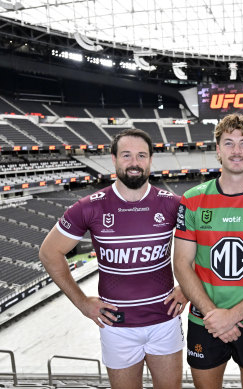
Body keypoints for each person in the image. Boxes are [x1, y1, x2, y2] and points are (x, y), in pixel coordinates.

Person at [39, 129, 187, 389]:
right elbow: (49, 253)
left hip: (164, 320)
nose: (134, 162)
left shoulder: (173, 204)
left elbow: (207, 246)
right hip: (117, 326)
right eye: (126, 155)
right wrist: (82, 302)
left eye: (141, 155)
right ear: (114, 159)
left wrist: (187, 289)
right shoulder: (89, 206)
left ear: (151, 160)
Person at [173, 113, 243, 389]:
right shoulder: (192, 200)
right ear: (217, 150)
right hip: (205, 320)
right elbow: (181, 264)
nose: (236, 151)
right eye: (228, 143)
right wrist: (215, 315)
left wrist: (233, 316)